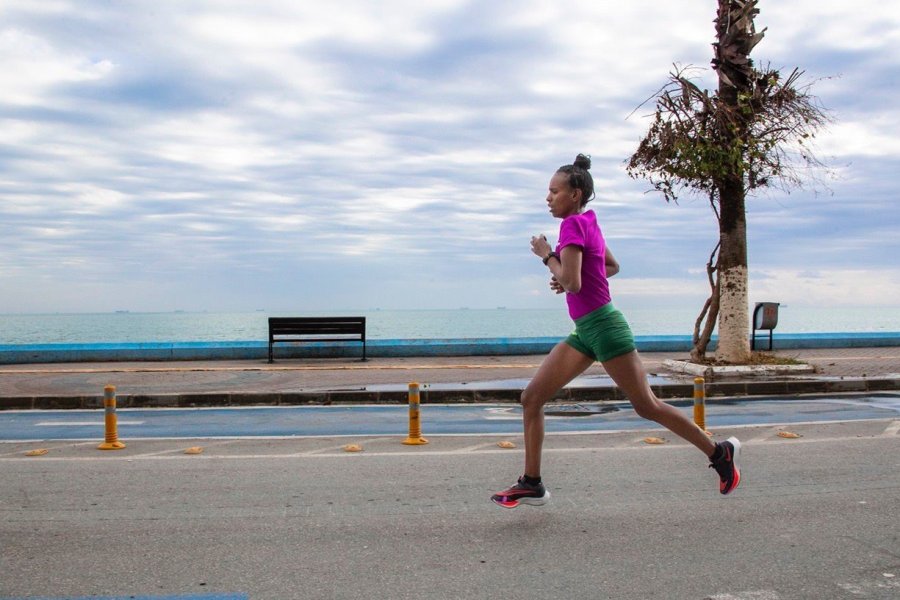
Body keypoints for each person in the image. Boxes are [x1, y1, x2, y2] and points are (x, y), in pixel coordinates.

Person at [490, 154, 741, 508]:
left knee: (647, 406)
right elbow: (610, 266)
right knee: (532, 398)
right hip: (585, 331)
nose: (548, 198)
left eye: (554, 191)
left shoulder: (572, 226)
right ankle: (532, 483)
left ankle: (719, 453)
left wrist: (547, 256)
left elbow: (574, 283)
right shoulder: (589, 222)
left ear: (575, 194)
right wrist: (569, 276)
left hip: (605, 328)